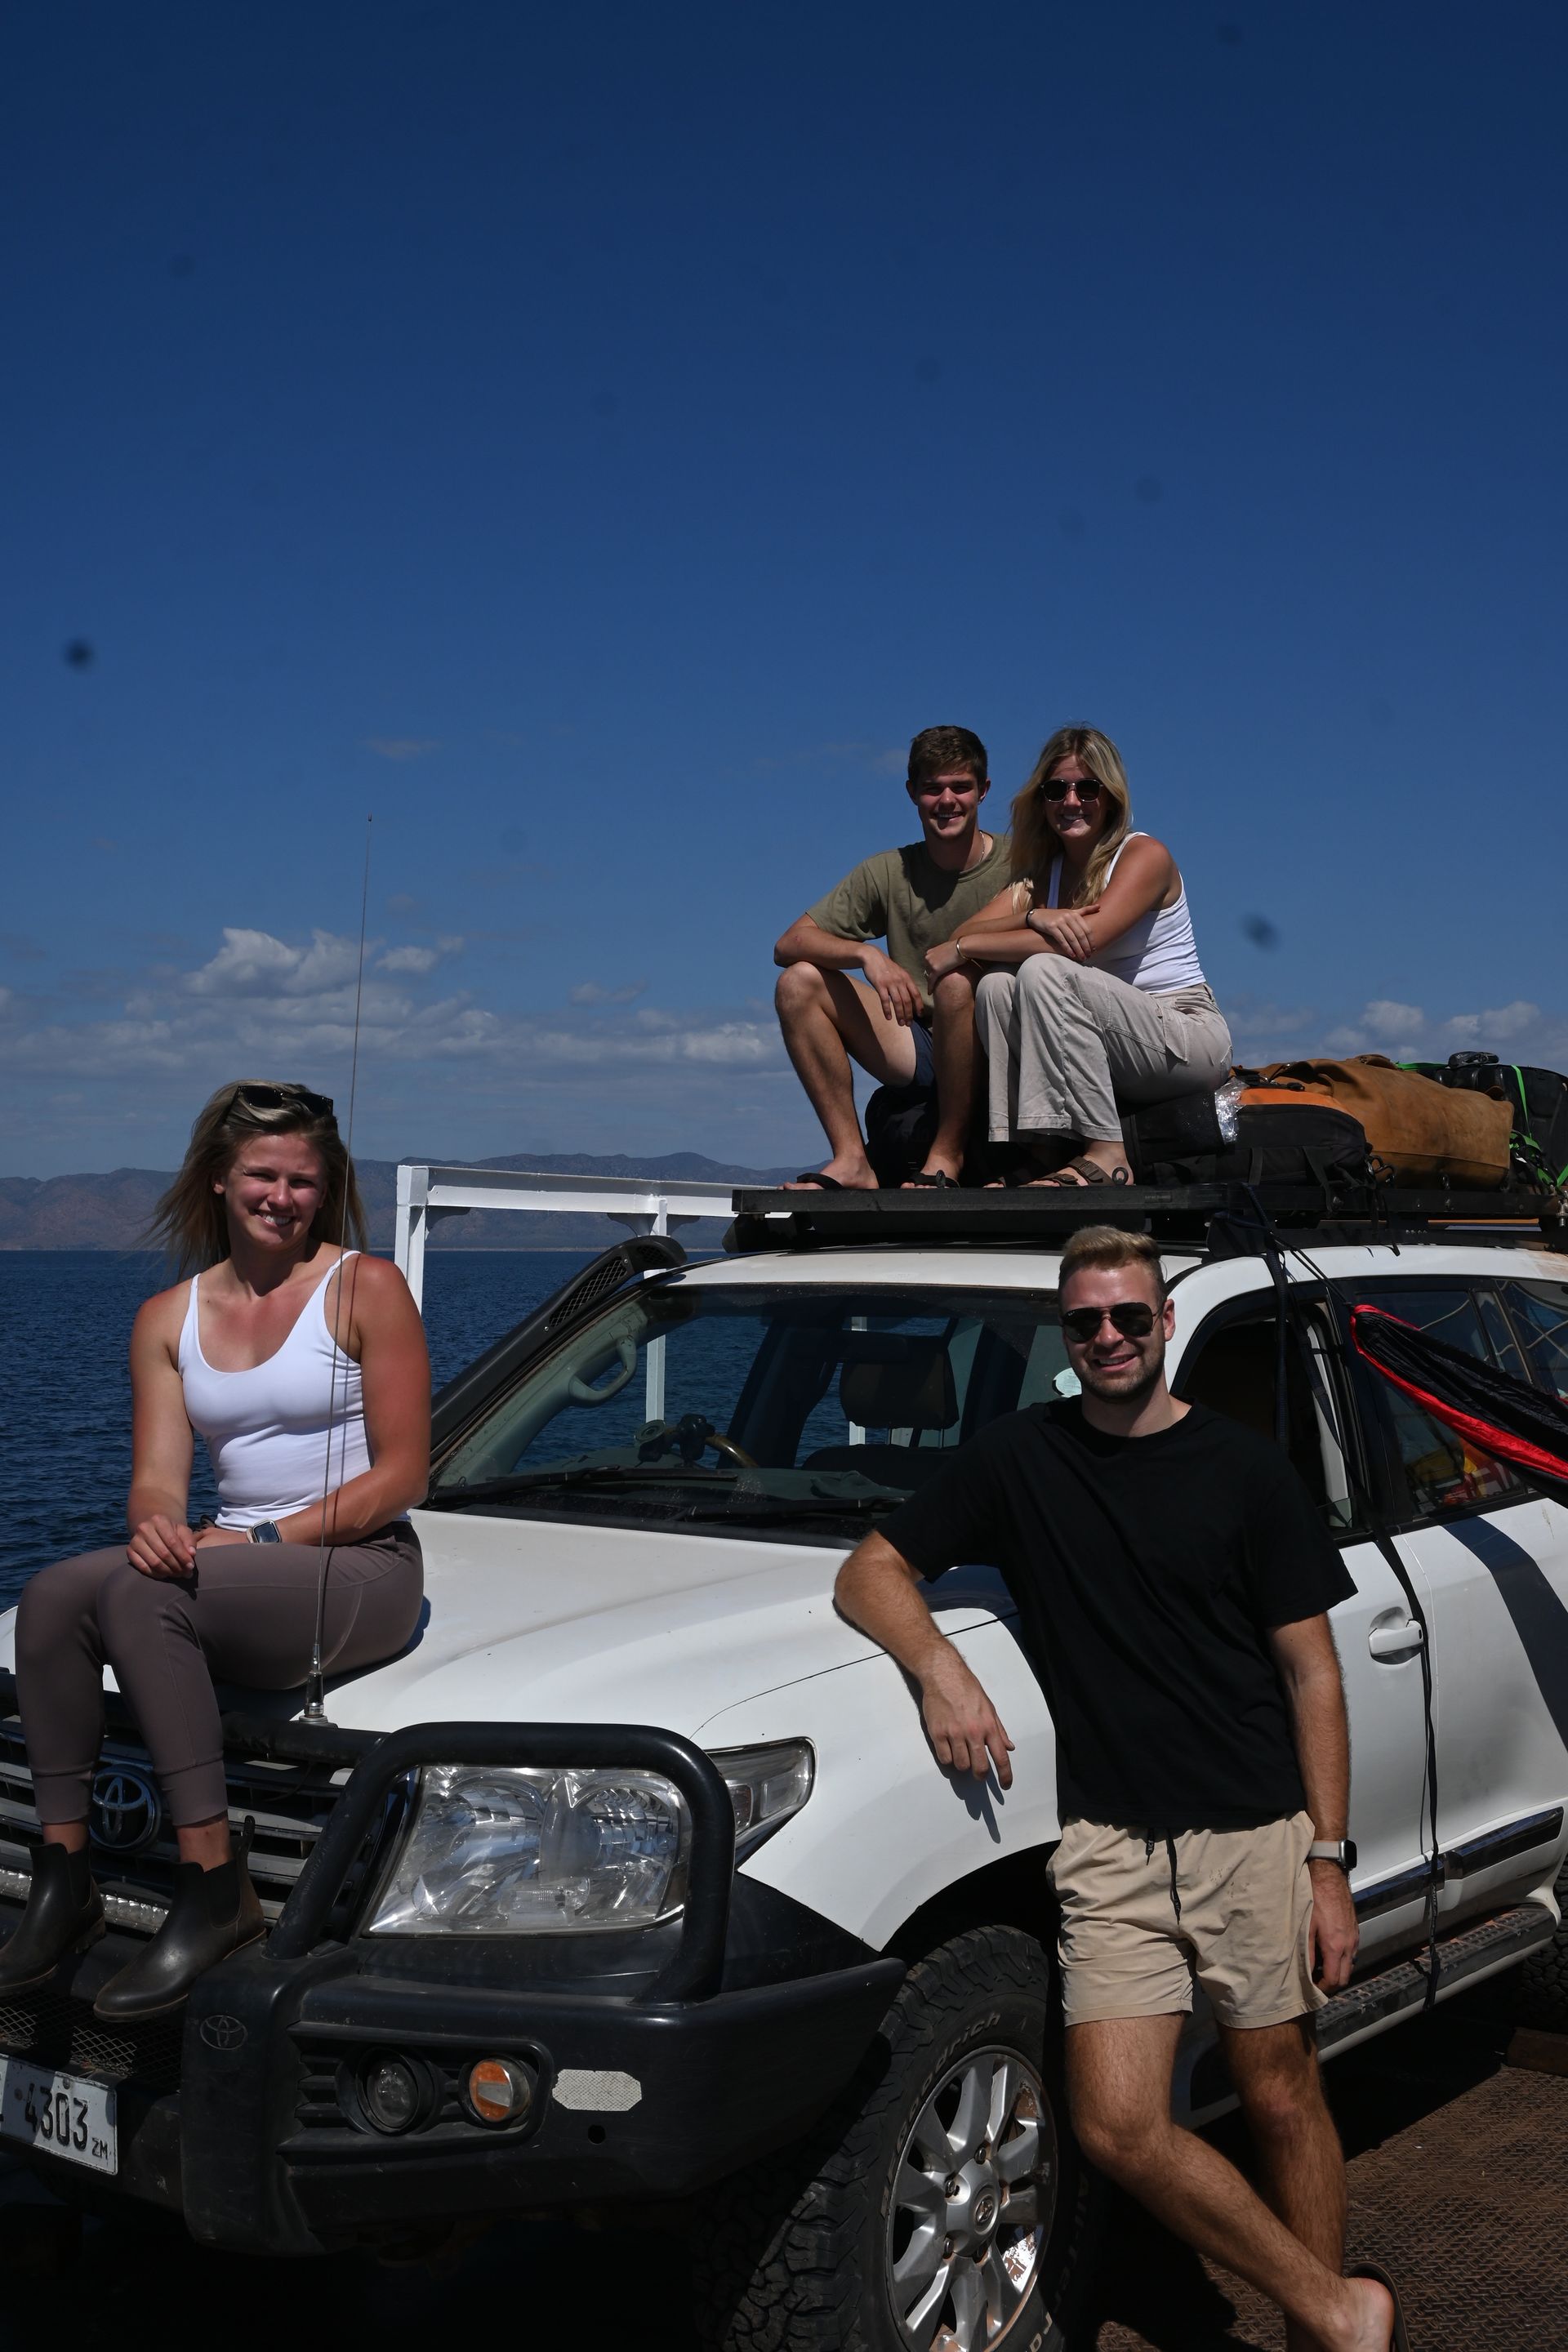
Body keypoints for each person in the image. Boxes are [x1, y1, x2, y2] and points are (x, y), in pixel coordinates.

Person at [834, 1225, 1409, 2352]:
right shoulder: (1018, 1458)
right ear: (1067, 1334)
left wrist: (1329, 1861)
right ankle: (1340, 2310)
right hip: (1109, 1847)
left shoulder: (1247, 1474)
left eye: (1129, 1317)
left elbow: (1313, 1673)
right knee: (1116, 2125)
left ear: (1165, 1326)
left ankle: (1321, 2336)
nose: (1110, 1337)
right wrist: (940, 1670)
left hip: (1253, 1833)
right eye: (1088, 1321)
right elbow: (873, 1569)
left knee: (1282, 2093)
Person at [0, 1080, 430, 2022]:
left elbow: (403, 1477)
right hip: (239, 1563)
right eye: (262, 1176)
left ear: (330, 1189)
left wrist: (260, 1536)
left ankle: (213, 1890)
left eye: (304, 1182)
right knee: (52, 1594)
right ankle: (62, 1876)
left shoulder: (367, 1288)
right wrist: (156, 1519)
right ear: (217, 1183)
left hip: (359, 1565)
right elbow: (159, 1477)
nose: (282, 1197)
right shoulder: (168, 1317)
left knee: (139, 1602)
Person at [945, 724, 1232, 1186]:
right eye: (1056, 789)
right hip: (1117, 1040)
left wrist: (966, 945)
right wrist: (1033, 915)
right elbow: (961, 935)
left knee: (1043, 969)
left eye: (1087, 788)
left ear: (1111, 796)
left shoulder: (1144, 855)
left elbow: (1086, 939)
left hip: (1186, 1033)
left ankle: (1108, 1153)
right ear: (1041, 799)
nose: (1071, 801)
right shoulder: (1045, 877)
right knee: (997, 986)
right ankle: (1039, 1149)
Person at [773, 724, 1010, 1189]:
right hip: (920, 1043)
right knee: (798, 983)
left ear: (983, 790)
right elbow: (788, 944)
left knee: (961, 985)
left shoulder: (1021, 861)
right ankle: (851, 1159)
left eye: (960, 787)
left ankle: (961, 1153)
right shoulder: (888, 870)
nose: (947, 801)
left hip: (1000, 1043)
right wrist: (867, 956)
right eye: (932, 789)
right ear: (912, 794)